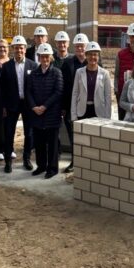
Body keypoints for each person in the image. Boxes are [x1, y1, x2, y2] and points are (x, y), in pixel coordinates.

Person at [0, 35, 38, 173]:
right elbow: (1, 88)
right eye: (16, 48)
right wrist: (3, 106)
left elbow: (35, 88)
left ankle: (26, 159)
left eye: (21, 48)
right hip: (11, 105)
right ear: (13, 49)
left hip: (28, 105)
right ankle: (8, 161)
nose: (19, 50)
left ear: (25, 49)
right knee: (9, 133)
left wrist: (35, 105)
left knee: (29, 134)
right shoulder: (6, 66)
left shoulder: (33, 65)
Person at [26, 43, 64, 178]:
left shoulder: (56, 72)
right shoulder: (34, 73)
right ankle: (41, 166)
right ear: (39, 57)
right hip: (37, 114)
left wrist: (44, 106)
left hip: (51, 114)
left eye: (47, 56)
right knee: (39, 143)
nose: (45, 59)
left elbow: (58, 92)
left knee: (52, 144)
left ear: (51, 57)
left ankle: (52, 169)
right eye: (42, 56)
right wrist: (34, 107)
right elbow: (28, 91)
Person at [60, 33, 89, 171]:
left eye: (82, 46)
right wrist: (64, 107)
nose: (79, 49)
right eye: (77, 46)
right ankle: (75, 161)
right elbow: (64, 87)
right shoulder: (68, 63)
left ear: (86, 47)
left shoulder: (93, 61)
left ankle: (88, 162)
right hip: (72, 106)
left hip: (88, 106)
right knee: (73, 135)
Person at [71, 41, 113, 120]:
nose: (92, 57)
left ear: (98, 56)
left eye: (95, 54)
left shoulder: (105, 74)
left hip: (99, 112)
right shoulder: (79, 72)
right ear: (86, 55)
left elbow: (108, 97)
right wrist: (73, 115)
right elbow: (75, 94)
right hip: (82, 111)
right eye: (90, 54)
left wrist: (108, 117)